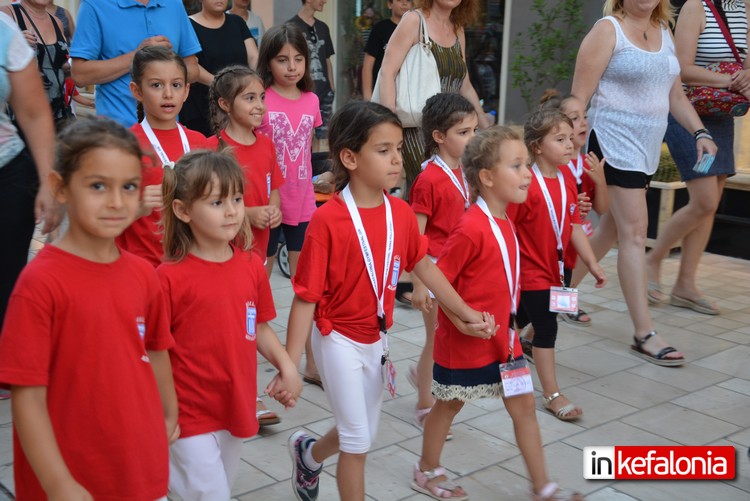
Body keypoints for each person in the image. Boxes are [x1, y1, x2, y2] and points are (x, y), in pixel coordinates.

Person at [284, 100, 494, 501]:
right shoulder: (328, 220)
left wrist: (464, 312)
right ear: (350, 158)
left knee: (360, 432)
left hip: (376, 340)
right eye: (383, 150)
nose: (397, 159)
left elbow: (426, 266)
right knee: (357, 441)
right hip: (336, 338)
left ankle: (308, 455)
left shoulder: (399, 212)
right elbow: (305, 298)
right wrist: (290, 365)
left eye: (398, 148)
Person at [0, 116, 179, 499]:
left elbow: (156, 349)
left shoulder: (143, 275)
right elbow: (28, 396)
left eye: (128, 186)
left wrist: (169, 414)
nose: (116, 202)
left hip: (137, 465)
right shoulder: (40, 284)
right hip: (71, 473)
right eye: (98, 186)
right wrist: (58, 483)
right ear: (60, 187)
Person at [413, 126, 583, 501]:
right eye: (517, 165)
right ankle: (426, 469)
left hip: (504, 343)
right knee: (449, 404)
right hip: (465, 346)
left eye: (526, 164)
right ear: (487, 177)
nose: (527, 173)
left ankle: (543, 487)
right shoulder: (471, 227)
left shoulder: (506, 219)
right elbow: (440, 281)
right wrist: (461, 321)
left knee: (524, 407)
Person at [572, 0, 717, 366]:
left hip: (646, 150)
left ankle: (541, 309)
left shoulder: (665, 31)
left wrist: (700, 131)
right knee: (636, 233)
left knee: (609, 231)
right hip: (611, 145)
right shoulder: (608, 30)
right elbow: (578, 99)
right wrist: (567, 149)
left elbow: (676, 96)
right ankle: (645, 333)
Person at [157, 149, 301, 500]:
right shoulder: (167, 279)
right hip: (188, 412)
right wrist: (163, 411)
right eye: (217, 202)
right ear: (183, 210)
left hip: (235, 404)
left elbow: (259, 327)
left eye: (237, 198)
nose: (233, 210)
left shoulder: (251, 266)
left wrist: (287, 366)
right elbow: (154, 351)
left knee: (216, 487)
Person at [646, 0, 748, 316]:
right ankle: (653, 259)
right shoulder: (696, 6)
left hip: (720, 115)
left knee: (710, 203)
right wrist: (731, 81)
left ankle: (685, 285)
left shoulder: (745, 9)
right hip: (686, 115)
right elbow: (683, 68)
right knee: (704, 201)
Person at [510, 109, 607, 421]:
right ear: (537, 146)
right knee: (546, 327)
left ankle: (454, 362)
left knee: (518, 319)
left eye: (570, 138)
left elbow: (574, 224)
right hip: (530, 272)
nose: (570, 144)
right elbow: (506, 227)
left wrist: (591, 263)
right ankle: (552, 395)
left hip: (558, 270)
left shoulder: (566, 178)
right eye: (560, 139)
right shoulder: (525, 183)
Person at [257, 23, 323, 387]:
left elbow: (309, 149)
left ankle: (310, 362)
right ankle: (243, 345)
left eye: (298, 59)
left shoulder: (312, 100)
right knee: (257, 280)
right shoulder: (260, 99)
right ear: (268, 62)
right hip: (266, 204)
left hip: (302, 203)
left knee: (305, 286)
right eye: (282, 59)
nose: (292, 67)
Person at [408, 92, 476, 432]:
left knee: (448, 340)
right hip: (434, 270)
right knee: (435, 341)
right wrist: (419, 283)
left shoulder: (468, 171)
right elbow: (415, 237)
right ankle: (424, 404)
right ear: (439, 136)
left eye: (474, 131)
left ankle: (423, 377)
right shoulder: (429, 179)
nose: (472, 138)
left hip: (459, 269)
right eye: (463, 132)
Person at [378, 0, 489, 196]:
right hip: (418, 128)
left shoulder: (458, 29)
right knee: (426, 190)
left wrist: (485, 126)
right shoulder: (414, 20)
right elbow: (387, 71)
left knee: (453, 190)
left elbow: (464, 84)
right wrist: (390, 125)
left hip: (453, 130)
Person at [116, 47, 208, 267]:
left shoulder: (200, 143)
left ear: (186, 90)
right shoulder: (124, 147)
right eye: (156, 85)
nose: (168, 94)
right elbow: (103, 217)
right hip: (143, 268)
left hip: (191, 265)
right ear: (137, 91)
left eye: (176, 85)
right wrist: (139, 207)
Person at [0, 13, 60, 336]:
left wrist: (48, 183)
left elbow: (35, 113)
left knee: (5, 289)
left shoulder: (4, 30)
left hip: (7, 177)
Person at [70, 0, 201, 127]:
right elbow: (80, 75)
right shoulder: (94, 4)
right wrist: (137, 55)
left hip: (166, 131)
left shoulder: (174, 3)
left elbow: (193, 70)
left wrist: (165, 74)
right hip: (116, 131)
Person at [540, 90, 610, 326]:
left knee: (562, 288)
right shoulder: (555, 166)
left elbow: (602, 208)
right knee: (537, 299)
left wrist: (600, 181)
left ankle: (538, 332)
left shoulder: (589, 163)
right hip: (550, 244)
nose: (583, 122)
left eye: (585, 116)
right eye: (574, 118)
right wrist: (569, 207)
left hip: (572, 244)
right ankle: (522, 337)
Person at [180, 0, 258, 137]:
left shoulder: (237, 22)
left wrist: (253, 85)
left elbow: (253, 57)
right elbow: (190, 63)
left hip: (239, 102)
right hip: (202, 106)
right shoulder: (188, 24)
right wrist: (223, 85)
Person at [3, 0, 72, 130]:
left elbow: (59, 65)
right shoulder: (7, 14)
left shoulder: (57, 22)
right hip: (23, 119)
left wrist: (70, 67)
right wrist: (14, 44)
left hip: (59, 114)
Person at [289, 0, 335, 151]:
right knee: (305, 134)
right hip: (304, 90)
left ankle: (315, 165)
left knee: (323, 136)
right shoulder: (291, 27)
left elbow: (327, 59)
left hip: (324, 91)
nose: (325, 1)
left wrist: (332, 88)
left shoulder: (323, 27)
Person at [362, 0, 412, 101]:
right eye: (399, 0)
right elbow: (368, 65)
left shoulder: (416, 29)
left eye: (408, 0)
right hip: (382, 90)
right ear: (390, 4)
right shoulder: (380, 29)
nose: (404, 3)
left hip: (408, 94)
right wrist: (368, 98)